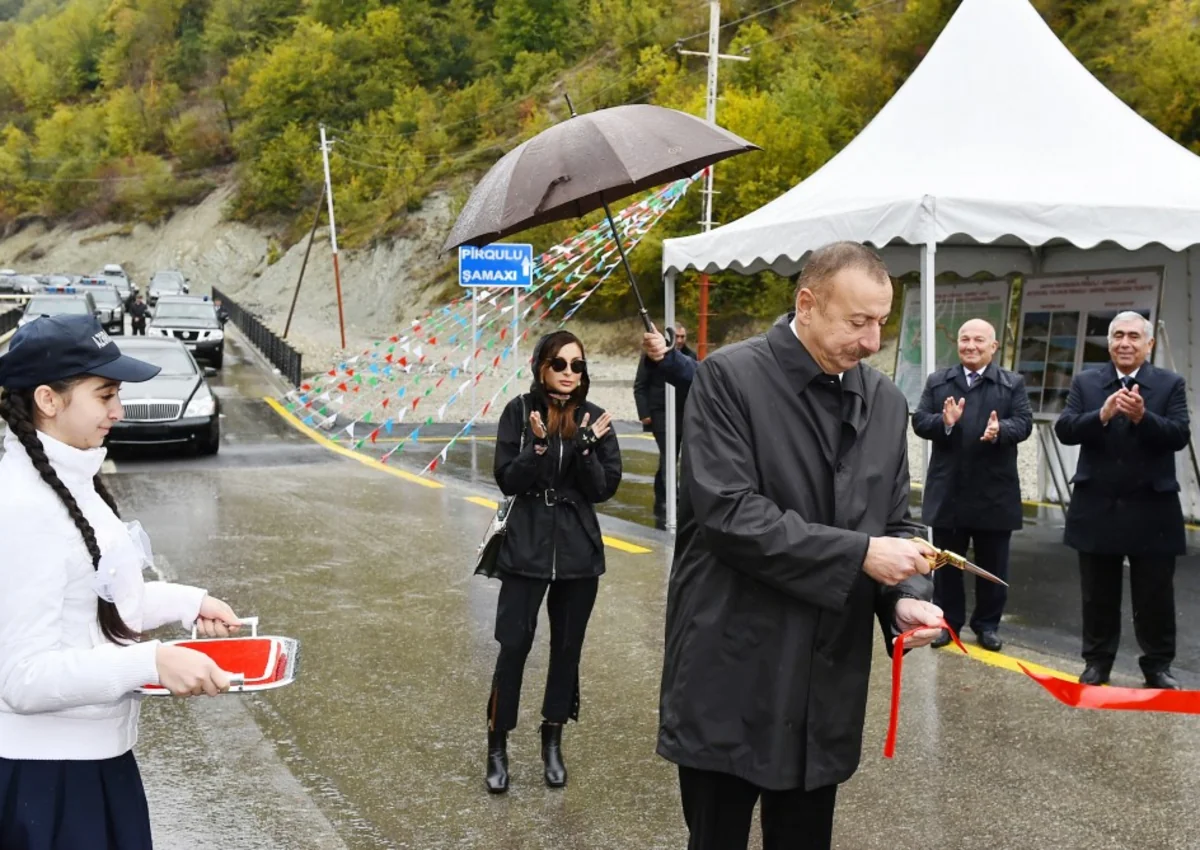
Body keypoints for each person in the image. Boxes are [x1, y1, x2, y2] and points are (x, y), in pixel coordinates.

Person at [657, 241, 943, 850]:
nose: (872, 342)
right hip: (733, 664)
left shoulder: (886, 402)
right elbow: (728, 512)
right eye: (858, 322)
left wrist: (904, 595)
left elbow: (897, 521)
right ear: (807, 303)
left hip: (824, 677)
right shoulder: (728, 378)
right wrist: (860, 554)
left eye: (882, 323)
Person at [0, 314, 243, 849]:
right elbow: (21, 677)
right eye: (105, 394)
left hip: (98, 765)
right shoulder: (22, 505)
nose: (119, 410)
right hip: (46, 782)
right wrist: (150, 662)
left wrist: (188, 602)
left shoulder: (71, 476)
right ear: (48, 399)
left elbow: (92, 597)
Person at [484, 330, 622, 794]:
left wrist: (583, 445)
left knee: (567, 649)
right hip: (526, 548)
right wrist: (538, 447)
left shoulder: (596, 419)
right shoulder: (519, 413)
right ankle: (498, 744)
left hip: (579, 553)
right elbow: (507, 479)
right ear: (541, 366)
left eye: (577, 365)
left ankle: (553, 740)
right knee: (514, 646)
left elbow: (603, 488)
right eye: (559, 364)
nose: (568, 373)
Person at [1054, 311, 1190, 690]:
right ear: (1109, 342)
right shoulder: (1087, 382)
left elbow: (1179, 434)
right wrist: (1101, 414)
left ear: (1148, 344)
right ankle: (1097, 663)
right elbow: (1065, 429)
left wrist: (1143, 417)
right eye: (1117, 336)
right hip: (1097, 504)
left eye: (1133, 336)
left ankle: (1157, 666)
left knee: (1155, 596)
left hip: (1152, 507)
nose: (1125, 343)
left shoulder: (1168, 384)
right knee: (1098, 594)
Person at [911, 318, 1032, 652]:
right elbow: (920, 420)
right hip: (949, 490)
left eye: (979, 340)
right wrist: (944, 422)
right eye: (965, 339)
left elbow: (1024, 424)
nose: (971, 346)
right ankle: (948, 624)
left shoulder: (1011, 384)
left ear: (993, 347)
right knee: (948, 565)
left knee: (993, 565)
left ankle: (987, 625)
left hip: (995, 491)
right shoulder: (939, 382)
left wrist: (1000, 431)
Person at [634, 324, 697, 527]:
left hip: (683, 414)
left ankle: (668, 495)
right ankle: (669, 498)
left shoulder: (691, 357)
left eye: (683, 336)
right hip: (660, 413)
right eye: (676, 336)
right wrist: (644, 413)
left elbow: (696, 383)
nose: (679, 340)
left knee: (676, 457)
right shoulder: (652, 357)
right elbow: (640, 385)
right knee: (668, 456)